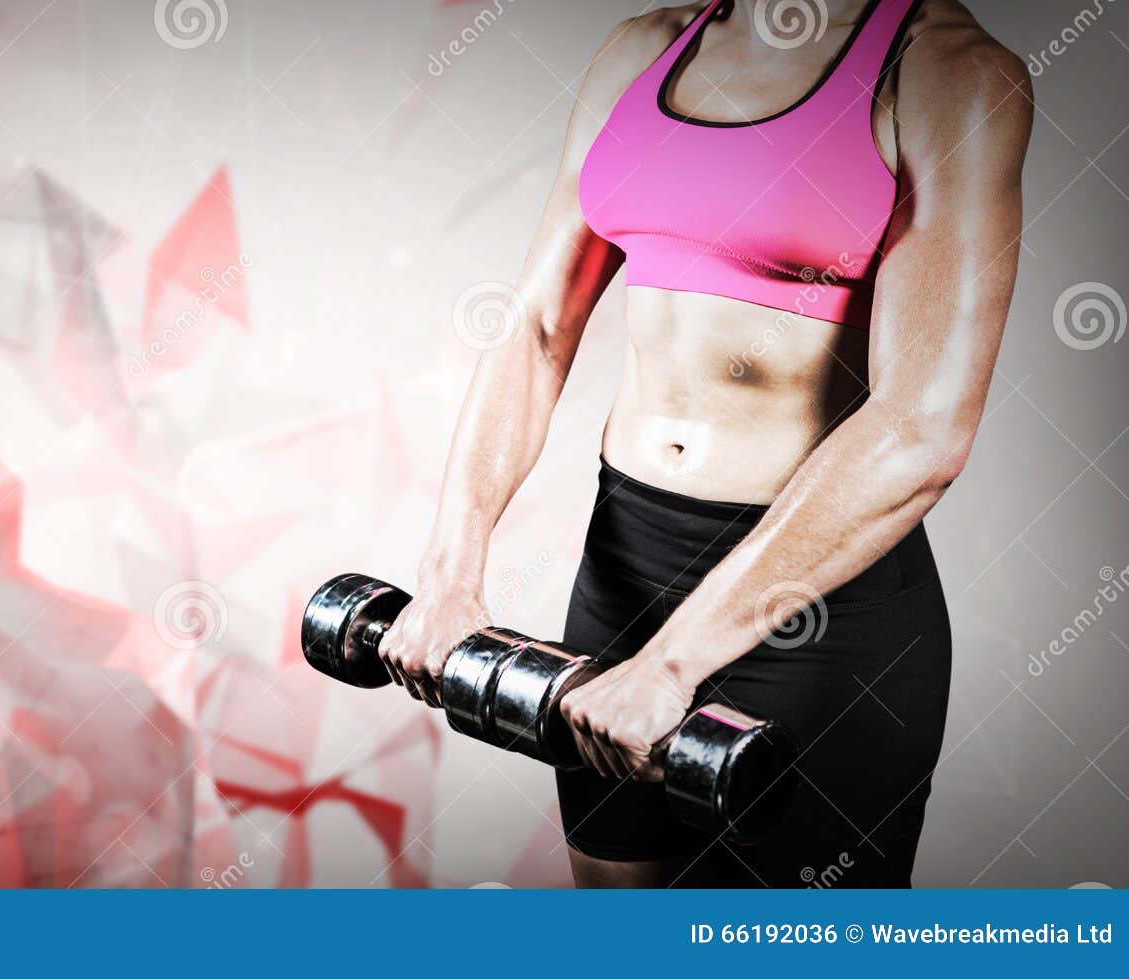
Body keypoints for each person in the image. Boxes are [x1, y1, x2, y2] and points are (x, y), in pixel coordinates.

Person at [375, 0, 1031, 887]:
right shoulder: (645, 49)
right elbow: (532, 327)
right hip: (623, 577)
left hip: (812, 614)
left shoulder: (944, 72)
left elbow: (922, 428)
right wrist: (453, 576)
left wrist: (678, 662)